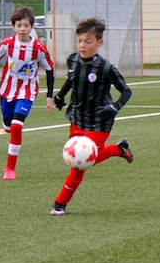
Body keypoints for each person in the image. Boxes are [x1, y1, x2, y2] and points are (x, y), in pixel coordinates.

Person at [50, 18, 134, 216]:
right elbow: (71, 80)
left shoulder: (105, 68)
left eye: (88, 41)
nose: (82, 45)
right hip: (77, 117)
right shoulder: (73, 60)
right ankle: (118, 149)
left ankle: (60, 203)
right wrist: (61, 95)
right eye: (80, 41)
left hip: (99, 121)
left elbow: (126, 91)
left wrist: (114, 107)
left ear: (99, 43)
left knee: (79, 164)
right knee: (79, 159)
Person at [0, 6, 55, 181]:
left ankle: (10, 169)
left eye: (26, 25)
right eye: (19, 25)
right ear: (13, 27)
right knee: (8, 125)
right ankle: (6, 125)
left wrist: (49, 95)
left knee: (17, 126)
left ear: (32, 27)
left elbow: (49, 70)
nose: (22, 29)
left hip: (27, 91)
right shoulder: (8, 44)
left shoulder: (38, 48)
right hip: (7, 90)